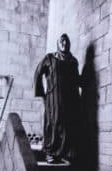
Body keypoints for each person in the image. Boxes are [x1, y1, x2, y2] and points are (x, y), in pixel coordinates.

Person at [33, 33, 81, 164]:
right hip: (53, 98)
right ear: (58, 43)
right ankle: (50, 153)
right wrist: (41, 93)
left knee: (67, 126)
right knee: (53, 123)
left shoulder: (73, 61)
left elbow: (77, 80)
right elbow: (38, 73)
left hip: (69, 99)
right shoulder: (50, 58)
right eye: (62, 41)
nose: (64, 44)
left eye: (66, 41)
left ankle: (63, 153)